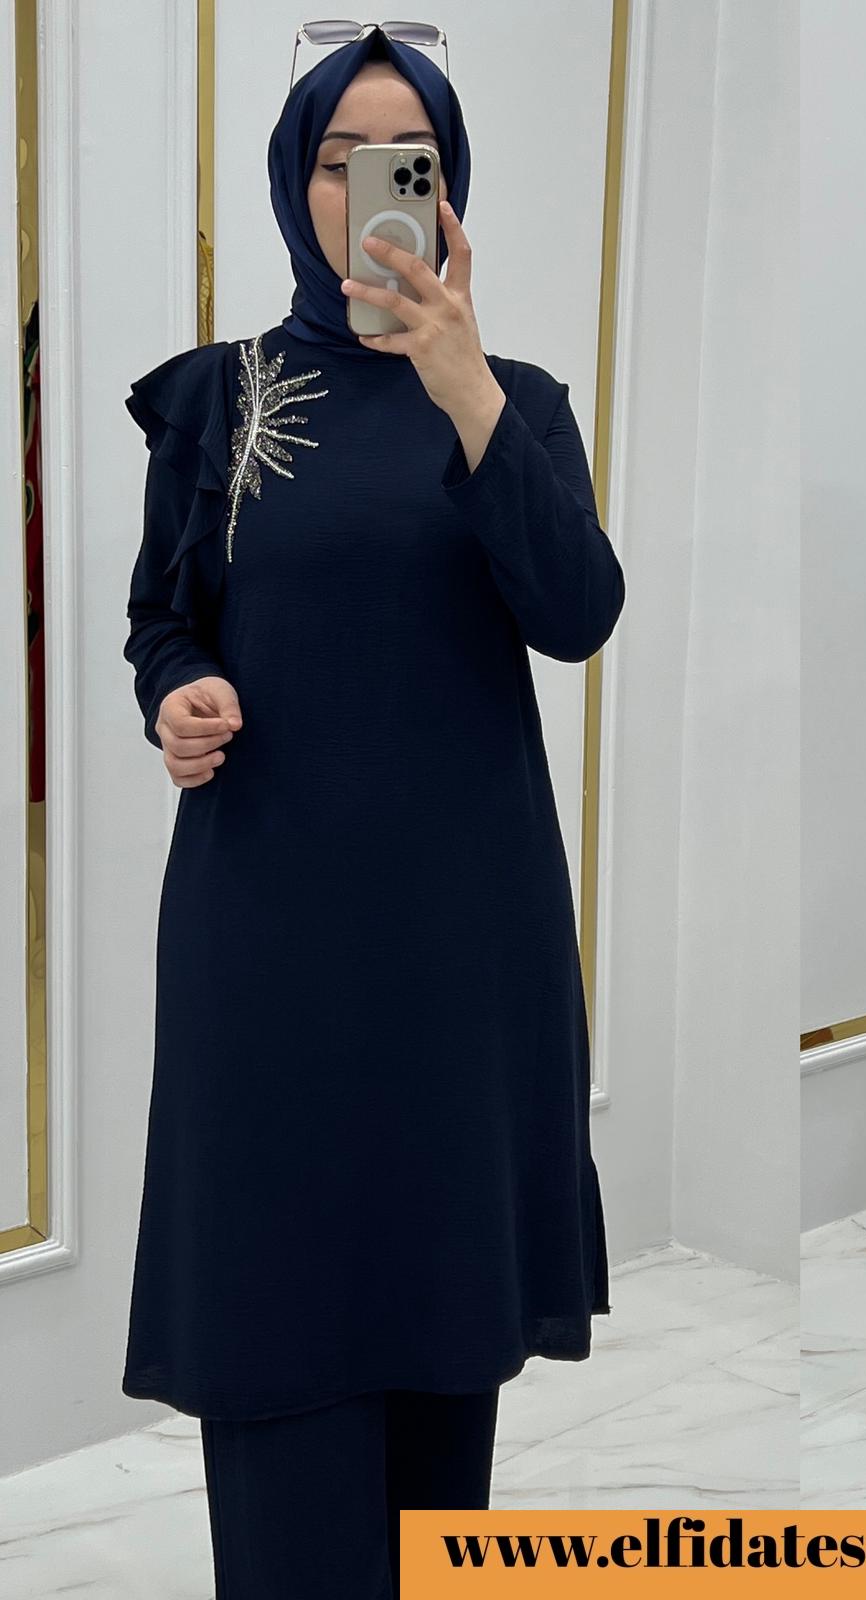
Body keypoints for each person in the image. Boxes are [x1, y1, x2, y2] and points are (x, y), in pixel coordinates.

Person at [119, 26, 624, 1596]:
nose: (369, 191)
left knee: (438, 1311)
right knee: (275, 1309)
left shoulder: (515, 402)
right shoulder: (220, 399)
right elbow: (161, 616)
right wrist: (179, 693)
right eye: (340, 161)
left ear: (450, 188)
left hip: (462, 939)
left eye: (406, 161)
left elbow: (577, 612)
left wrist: (459, 382)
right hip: (266, 925)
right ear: (296, 181)